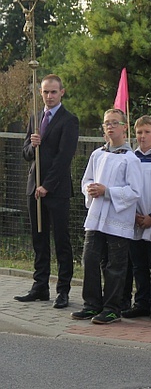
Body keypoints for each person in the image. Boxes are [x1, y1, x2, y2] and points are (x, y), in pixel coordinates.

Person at [72, 108, 142, 325]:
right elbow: (86, 180)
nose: (110, 126)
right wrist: (90, 190)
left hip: (117, 220)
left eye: (114, 123)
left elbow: (134, 191)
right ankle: (91, 304)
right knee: (90, 259)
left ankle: (112, 307)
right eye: (106, 123)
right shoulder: (97, 154)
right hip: (96, 217)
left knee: (115, 265)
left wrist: (108, 191)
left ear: (124, 127)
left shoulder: (131, 159)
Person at [15, 74, 79, 309]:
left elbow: (64, 158)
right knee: (38, 240)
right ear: (40, 93)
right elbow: (25, 153)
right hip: (34, 188)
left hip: (57, 190)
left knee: (61, 241)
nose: (49, 96)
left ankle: (63, 290)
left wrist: (47, 186)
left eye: (53, 92)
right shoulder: (36, 116)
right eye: (45, 92)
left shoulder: (69, 120)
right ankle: (40, 286)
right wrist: (32, 145)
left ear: (62, 92)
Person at [122, 116, 151, 323]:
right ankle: (141, 302)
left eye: (147, 132)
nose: (142, 136)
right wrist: (133, 214)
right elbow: (127, 186)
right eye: (139, 132)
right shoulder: (131, 158)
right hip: (135, 219)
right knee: (138, 264)